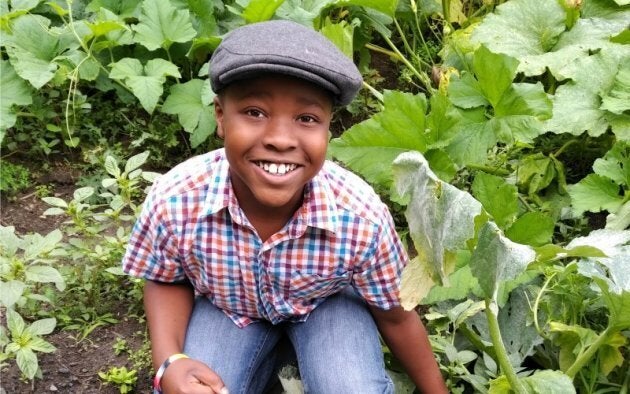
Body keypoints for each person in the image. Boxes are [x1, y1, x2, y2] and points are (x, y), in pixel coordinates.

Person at [122, 20, 448, 394]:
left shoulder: (360, 217)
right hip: (230, 310)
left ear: (328, 131)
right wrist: (170, 362)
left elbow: (396, 318)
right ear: (220, 117)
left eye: (306, 119)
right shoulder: (176, 199)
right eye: (254, 112)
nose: (279, 139)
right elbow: (166, 278)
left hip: (327, 308)